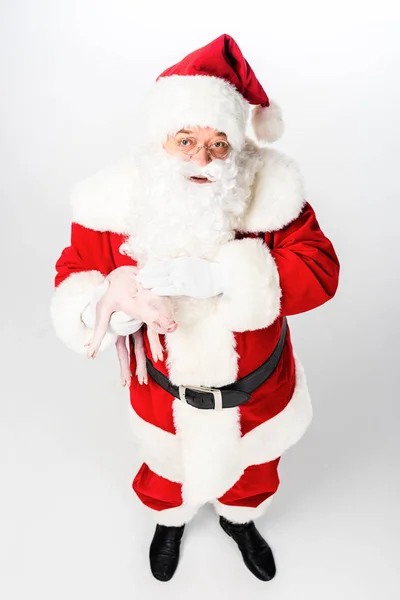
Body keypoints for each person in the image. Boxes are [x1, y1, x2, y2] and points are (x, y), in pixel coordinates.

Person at [50, 34, 340, 582]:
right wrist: (108, 305)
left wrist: (226, 277)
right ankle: (169, 521)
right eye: (186, 141)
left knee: (253, 470)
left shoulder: (270, 194)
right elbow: (76, 276)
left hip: (257, 390)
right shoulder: (111, 203)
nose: (201, 159)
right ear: (162, 141)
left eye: (218, 145)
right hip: (162, 394)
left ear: (238, 150)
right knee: (165, 470)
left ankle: (241, 520)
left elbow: (321, 268)